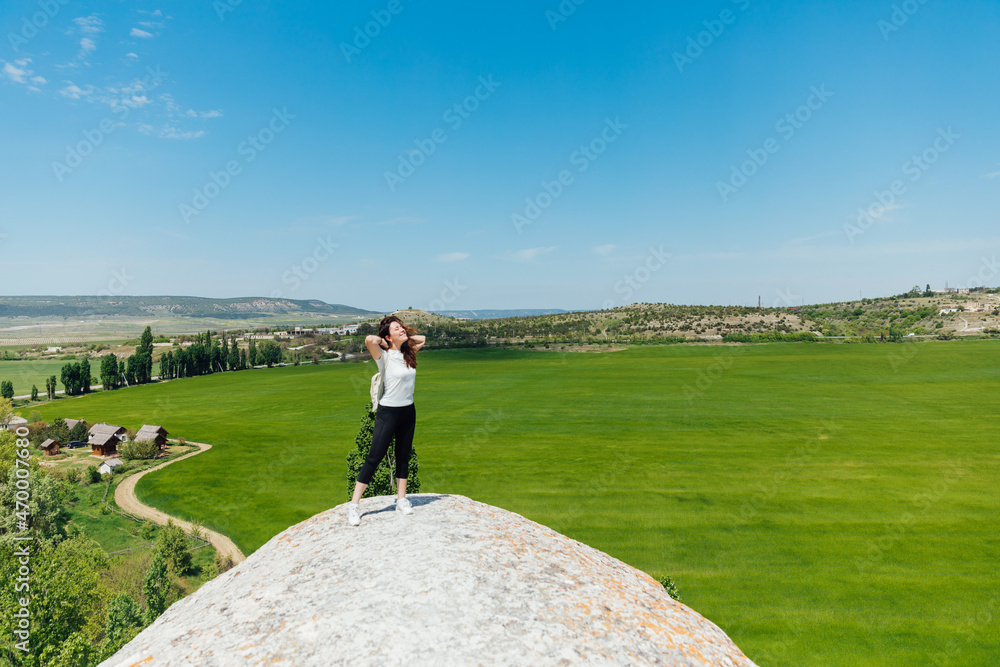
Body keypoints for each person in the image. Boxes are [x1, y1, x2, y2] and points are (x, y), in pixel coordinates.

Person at [347, 315, 426, 526]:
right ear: (388, 336)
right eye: (396, 328)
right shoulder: (383, 356)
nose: (402, 330)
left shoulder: (407, 353)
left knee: (403, 456)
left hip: (408, 411)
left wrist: (402, 338)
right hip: (388, 412)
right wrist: (385, 341)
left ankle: (401, 500)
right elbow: (369, 340)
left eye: (402, 327)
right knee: (374, 457)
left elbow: (422, 338)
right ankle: (354, 505)